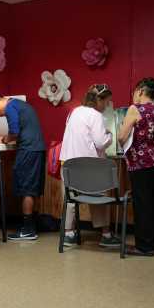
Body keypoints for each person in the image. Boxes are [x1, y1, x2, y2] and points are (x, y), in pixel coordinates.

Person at [60, 84, 121, 248]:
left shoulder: (74, 112)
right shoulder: (96, 115)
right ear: (99, 100)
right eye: (107, 102)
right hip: (88, 167)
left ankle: (68, 234)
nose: (107, 106)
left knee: (70, 198)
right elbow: (100, 143)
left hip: (68, 165)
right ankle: (106, 235)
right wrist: (109, 135)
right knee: (97, 196)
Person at [118, 77, 154, 256]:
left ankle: (143, 247)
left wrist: (122, 131)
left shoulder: (135, 109)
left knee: (142, 203)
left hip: (141, 163)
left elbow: (122, 137)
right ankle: (153, 244)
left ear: (139, 91)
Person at [0, 96, 45, 241]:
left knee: (26, 189)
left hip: (28, 150)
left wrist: (3, 139)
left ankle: (28, 230)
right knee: (30, 188)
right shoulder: (20, 105)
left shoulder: (10, 106)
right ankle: (29, 226)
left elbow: (14, 131)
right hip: (37, 149)